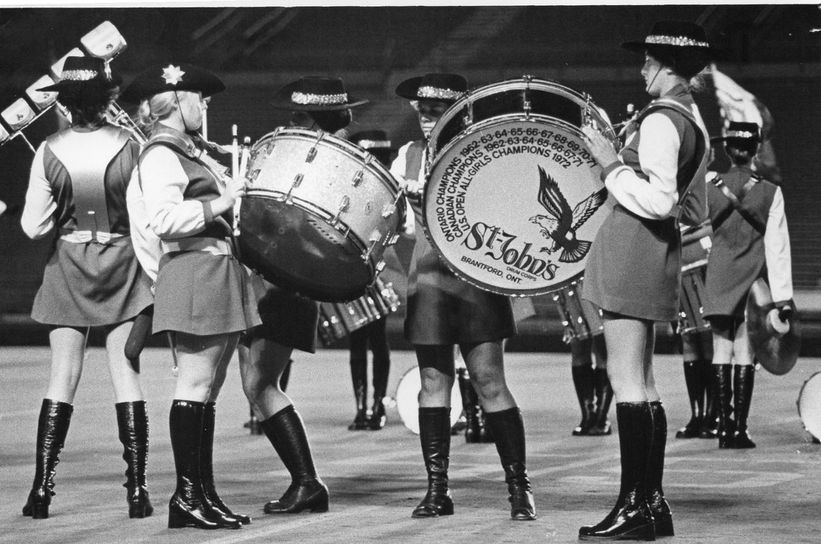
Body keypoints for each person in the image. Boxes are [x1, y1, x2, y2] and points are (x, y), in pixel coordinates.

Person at [580, 20, 717, 540]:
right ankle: (651, 506)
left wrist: (609, 162)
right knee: (644, 382)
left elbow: (660, 201)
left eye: (646, 61)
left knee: (628, 383)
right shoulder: (689, 115)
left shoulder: (663, 119)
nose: (641, 68)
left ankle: (633, 509)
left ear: (665, 65)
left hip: (634, 250)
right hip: (652, 255)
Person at [391, 72, 536, 521]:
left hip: (477, 272)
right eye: (422, 108)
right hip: (429, 272)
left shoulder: (483, 150)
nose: (427, 116)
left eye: (436, 109)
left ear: (460, 109)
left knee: (489, 379)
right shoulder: (407, 156)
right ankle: (438, 490)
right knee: (434, 382)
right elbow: (396, 223)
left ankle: (519, 488)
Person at [123, 61, 260, 530]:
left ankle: (203, 494)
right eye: (198, 98)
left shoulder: (188, 150)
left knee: (209, 390)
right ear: (177, 100)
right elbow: (161, 221)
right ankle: (186, 497)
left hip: (213, 267)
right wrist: (223, 200)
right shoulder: (161, 153)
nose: (204, 105)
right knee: (195, 387)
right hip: (194, 267)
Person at [18, 56, 154, 520]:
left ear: (65, 102)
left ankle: (41, 492)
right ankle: (137, 492)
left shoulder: (48, 150)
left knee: (62, 375)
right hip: (123, 265)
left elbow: (33, 227)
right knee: (125, 375)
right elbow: (146, 216)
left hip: (70, 266)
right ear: (107, 98)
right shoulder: (132, 146)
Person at [234, 76, 365, 515]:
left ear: (320, 122)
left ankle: (308, 482)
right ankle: (304, 482)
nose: (290, 125)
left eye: (299, 118)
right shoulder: (300, 160)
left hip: (286, 283)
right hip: (264, 278)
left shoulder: (334, 170)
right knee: (254, 384)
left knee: (259, 384)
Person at [702, 121, 793, 449]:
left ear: (727, 150)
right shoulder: (771, 192)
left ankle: (723, 429)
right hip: (752, 280)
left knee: (719, 351)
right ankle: (739, 429)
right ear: (756, 150)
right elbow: (778, 248)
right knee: (745, 351)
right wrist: (783, 298)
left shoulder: (709, 185)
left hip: (718, 277)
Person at [345, 129, 396, 431]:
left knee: (373, 339)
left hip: (379, 265)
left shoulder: (385, 188)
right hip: (355, 264)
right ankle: (364, 408)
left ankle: (374, 407)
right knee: (360, 340)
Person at [674, 221, 716, 440]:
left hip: (703, 261)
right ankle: (697, 415)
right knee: (689, 339)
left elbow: (712, 223)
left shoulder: (704, 187)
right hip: (677, 266)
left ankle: (714, 414)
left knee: (709, 339)